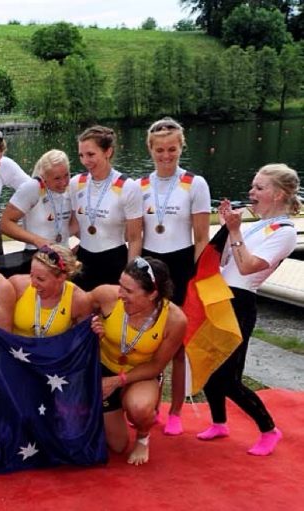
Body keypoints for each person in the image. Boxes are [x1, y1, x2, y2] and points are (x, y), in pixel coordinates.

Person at [198, 164, 299, 456]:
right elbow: (224, 260)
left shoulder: (285, 232)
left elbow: (246, 266)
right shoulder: (257, 225)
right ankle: (219, 423)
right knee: (209, 367)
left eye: (258, 188)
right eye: (252, 186)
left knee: (228, 377)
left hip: (240, 304)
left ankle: (269, 429)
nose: (251, 193)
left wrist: (235, 230)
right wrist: (229, 229)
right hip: (221, 298)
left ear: (278, 195)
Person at [139, 117, 212, 436]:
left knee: (178, 345)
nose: (165, 156)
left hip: (182, 266)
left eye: (171, 149)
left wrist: (196, 278)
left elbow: (201, 238)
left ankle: (177, 410)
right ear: (150, 150)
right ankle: (151, 404)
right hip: (151, 267)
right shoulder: (140, 185)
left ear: (181, 147)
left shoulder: (195, 184)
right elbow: (137, 235)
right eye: (159, 150)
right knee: (150, 343)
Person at [90, 257, 186, 466]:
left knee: (140, 408)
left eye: (129, 291)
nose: (120, 293)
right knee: (118, 446)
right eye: (121, 285)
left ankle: (143, 437)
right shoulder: (106, 295)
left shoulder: (175, 320)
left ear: (152, 293)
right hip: (104, 368)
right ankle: (101, 415)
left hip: (141, 375)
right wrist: (90, 331)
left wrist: (117, 381)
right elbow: (76, 310)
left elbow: (157, 366)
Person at [69, 126, 143, 291]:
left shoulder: (128, 187)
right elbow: (74, 225)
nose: (85, 161)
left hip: (114, 261)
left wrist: (130, 275)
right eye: (81, 155)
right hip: (83, 260)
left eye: (91, 154)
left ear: (108, 152)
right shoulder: (76, 183)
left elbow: (135, 238)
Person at [9, 245, 92, 337]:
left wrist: (95, 332)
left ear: (61, 277)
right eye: (31, 275)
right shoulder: (17, 285)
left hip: (56, 351)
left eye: (40, 279)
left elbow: (82, 340)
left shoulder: (78, 300)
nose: (33, 284)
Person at [0, 149, 73, 250]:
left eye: (66, 175)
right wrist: (36, 240)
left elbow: (75, 225)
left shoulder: (71, 188)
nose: (64, 182)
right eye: (57, 178)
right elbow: (5, 223)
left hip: (64, 254)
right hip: (36, 255)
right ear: (44, 177)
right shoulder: (32, 188)